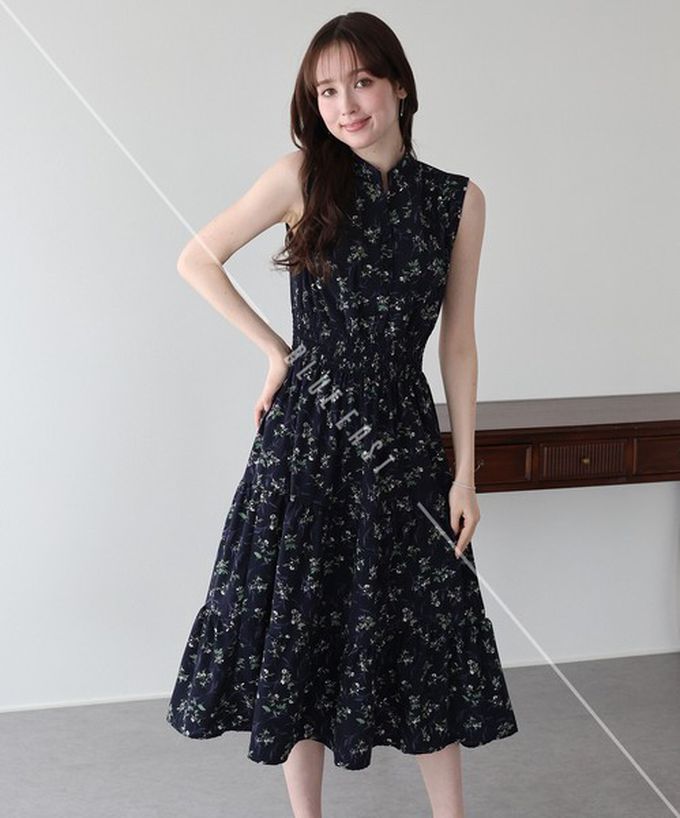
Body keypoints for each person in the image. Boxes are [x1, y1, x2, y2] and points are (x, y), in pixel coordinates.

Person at [166, 11, 518, 818]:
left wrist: (465, 473)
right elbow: (197, 258)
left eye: (361, 82)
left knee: (424, 628)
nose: (345, 104)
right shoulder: (301, 177)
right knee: (304, 627)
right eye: (326, 90)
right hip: (309, 439)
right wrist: (276, 350)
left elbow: (458, 344)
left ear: (400, 87)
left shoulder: (458, 201)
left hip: (403, 439)